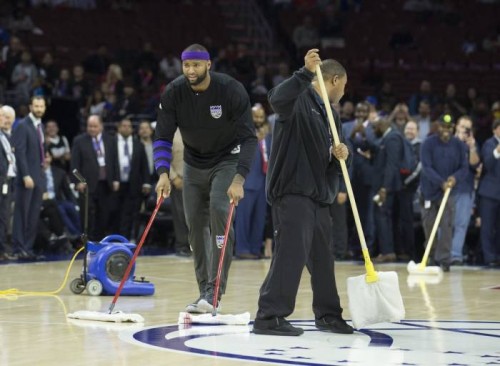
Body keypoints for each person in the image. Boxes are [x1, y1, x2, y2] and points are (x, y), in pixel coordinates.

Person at [253, 49, 353, 336]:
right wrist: (305, 72)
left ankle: (328, 315)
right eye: (343, 87)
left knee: (324, 259)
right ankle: (269, 316)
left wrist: (340, 154)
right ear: (334, 80)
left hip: (319, 197)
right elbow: (276, 100)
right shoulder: (298, 98)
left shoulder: (331, 115)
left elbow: (338, 161)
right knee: (290, 255)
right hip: (293, 193)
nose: (343, 94)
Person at [154, 44, 257, 314]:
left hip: (227, 160)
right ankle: (204, 291)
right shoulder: (174, 92)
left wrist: (239, 178)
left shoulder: (231, 90)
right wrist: (163, 173)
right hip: (193, 164)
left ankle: (215, 291)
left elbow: (249, 139)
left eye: (196, 65)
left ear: (208, 65)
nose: (190, 70)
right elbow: (163, 137)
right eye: (186, 65)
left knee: (218, 213)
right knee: (195, 228)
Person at [419, 115, 468, 272]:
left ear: (452, 127)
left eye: (448, 127)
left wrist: (454, 178)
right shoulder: (428, 143)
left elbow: (464, 168)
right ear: (438, 126)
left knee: (447, 226)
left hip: (448, 193)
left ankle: (444, 260)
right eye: (443, 127)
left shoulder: (459, 145)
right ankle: (430, 257)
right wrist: (441, 182)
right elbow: (426, 167)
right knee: (429, 225)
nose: (446, 130)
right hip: (429, 191)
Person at [70, 115, 120, 240]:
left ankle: (100, 240)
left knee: (104, 214)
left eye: (95, 126)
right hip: (86, 185)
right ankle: (87, 242)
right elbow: (74, 166)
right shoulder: (79, 140)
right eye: (89, 126)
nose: (92, 129)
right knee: (87, 216)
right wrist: (79, 182)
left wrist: (116, 179)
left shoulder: (110, 140)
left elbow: (115, 161)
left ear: (101, 126)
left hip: (105, 184)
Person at [11, 96, 46, 260]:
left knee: (33, 215)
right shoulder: (23, 126)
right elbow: (20, 152)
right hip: (27, 177)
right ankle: (18, 247)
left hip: (38, 176)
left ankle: (28, 247)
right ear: (31, 107)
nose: (39, 109)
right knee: (22, 213)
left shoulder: (40, 126)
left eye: (41, 106)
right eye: (36, 106)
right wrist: (25, 174)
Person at [235, 103, 271, 259]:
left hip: (264, 183)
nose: (258, 119)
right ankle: (242, 249)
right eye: (255, 116)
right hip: (247, 182)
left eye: (261, 117)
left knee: (259, 219)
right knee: (243, 218)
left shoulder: (269, 135)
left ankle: (255, 248)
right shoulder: (243, 133)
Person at [451, 116, 480, 265]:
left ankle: (455, 255)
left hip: (465, 188)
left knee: (461, 224)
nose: (464, 130)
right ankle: (443, 254)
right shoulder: (448, 141)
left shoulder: (472, 144)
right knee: (445, 224)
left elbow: (475, 165)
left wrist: (472, 147)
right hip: (448, 188)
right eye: (462, 126)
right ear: (457, 126)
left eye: (467, 128)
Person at [477, 119, 500, 267]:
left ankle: (497, 255)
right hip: (490, 193)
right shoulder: (489, 144)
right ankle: (489, 257)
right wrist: (497, 151)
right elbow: (488, 164)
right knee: (487, 226)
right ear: (495, 130)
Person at [0, 107, 17, 261]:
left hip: (9, 181)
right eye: (3, 116)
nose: (6, 119)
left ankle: (4, 249)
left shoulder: (10, 136)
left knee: (5, 217)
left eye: (9, 117)